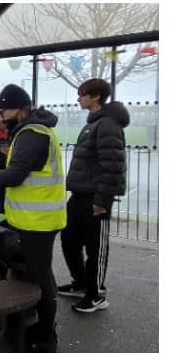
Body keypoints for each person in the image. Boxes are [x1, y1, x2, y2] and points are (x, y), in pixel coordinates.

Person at [0, 84, 67, 353]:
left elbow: (13, 176)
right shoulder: (32, 131)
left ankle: (47, 337)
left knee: (40, 277)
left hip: (39, 220)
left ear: (21, 109)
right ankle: (33, 325)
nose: (2, 116)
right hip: (33, 217)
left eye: (6, 110)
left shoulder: (31, 134)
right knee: (30, 269)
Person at [59, 78, 129, 314]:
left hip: (95, 199)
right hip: (80, 194)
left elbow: (112, 165)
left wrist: (102, 201)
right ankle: (80, 283)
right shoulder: (94, 123)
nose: (79, 98)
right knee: (69, 240)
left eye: (82, 94)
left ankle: (96, 294)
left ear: (96, 96)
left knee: (95, 249)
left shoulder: (108, 124)